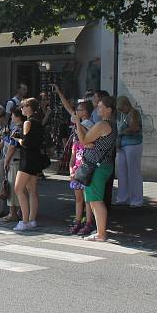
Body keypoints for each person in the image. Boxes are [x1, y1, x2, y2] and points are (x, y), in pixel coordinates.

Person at [52, 85, 96, 234]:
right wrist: (59, 93)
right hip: (77, 161)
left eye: (80, 109)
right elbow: (68, 109)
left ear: (86, 112)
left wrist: (77, 123)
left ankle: (89, 221)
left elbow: (85, 138)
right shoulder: (79, 122)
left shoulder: (89, 124)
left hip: (86, 162)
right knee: (78, 197)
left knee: (87, 197)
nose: (76, 111)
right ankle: (78, 220)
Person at [75, 96, 117, 242]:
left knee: (96, 200)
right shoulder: (111, 124)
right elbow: (89, 141)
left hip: (96, 167)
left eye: (100, 107)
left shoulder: (102, 125)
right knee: (93, 199)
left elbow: (84, 140)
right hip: (101, 165)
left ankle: (101, 233)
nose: (98, 109)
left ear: (109, 109)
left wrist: (77, 124)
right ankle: (100, 231)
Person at [13, 98, 45, 231]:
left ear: (29, 108)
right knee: (32, 190)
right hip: (36, 158)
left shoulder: (28, 122)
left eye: (23, 107)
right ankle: (32, 220)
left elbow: (25, 142)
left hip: (27, 158)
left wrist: (17, 139)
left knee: (18, 189)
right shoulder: (38, 122)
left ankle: (24, 220)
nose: (21, 109)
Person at [115, 96, 144, 207]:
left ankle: (136, 199)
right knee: (122, 172)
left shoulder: (133, 113)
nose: (121, 111)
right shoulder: (123, 114)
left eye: (122, 108)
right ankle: (123, 197)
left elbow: (134, 128)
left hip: (133, 145)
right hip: (123, 146)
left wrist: (121, 133)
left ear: (126, 105)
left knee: (133, 172)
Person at [1, 107, 25, 222]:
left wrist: (6, 160)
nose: (11, 117)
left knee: (12, 187)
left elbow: (12, 146)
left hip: (14, 159)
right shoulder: (21, 127)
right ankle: (20, 211)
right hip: (18, 160)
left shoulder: (17, 129)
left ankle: (13, 213)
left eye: (12, 115)